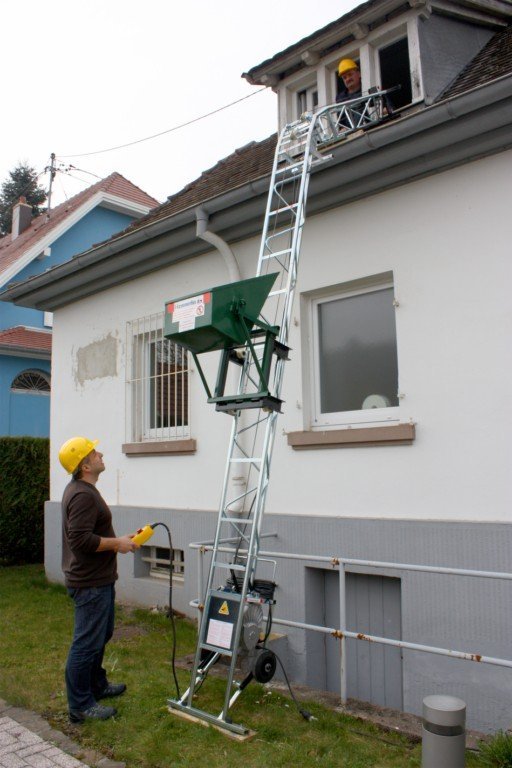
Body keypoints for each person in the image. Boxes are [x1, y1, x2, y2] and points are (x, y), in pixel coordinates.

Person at [59, 436, 138, 723]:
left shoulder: (82, 490)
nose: (100, 454)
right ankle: (80, 705)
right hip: (90, 583)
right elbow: (80, 541)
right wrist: (117, 544)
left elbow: (88, 535)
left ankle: (96, 686)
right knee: (86, 643)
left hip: (98, 580)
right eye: (94, 453)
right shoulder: (82, 495)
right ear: (84, 465)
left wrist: (119, 540)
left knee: (99, 636)